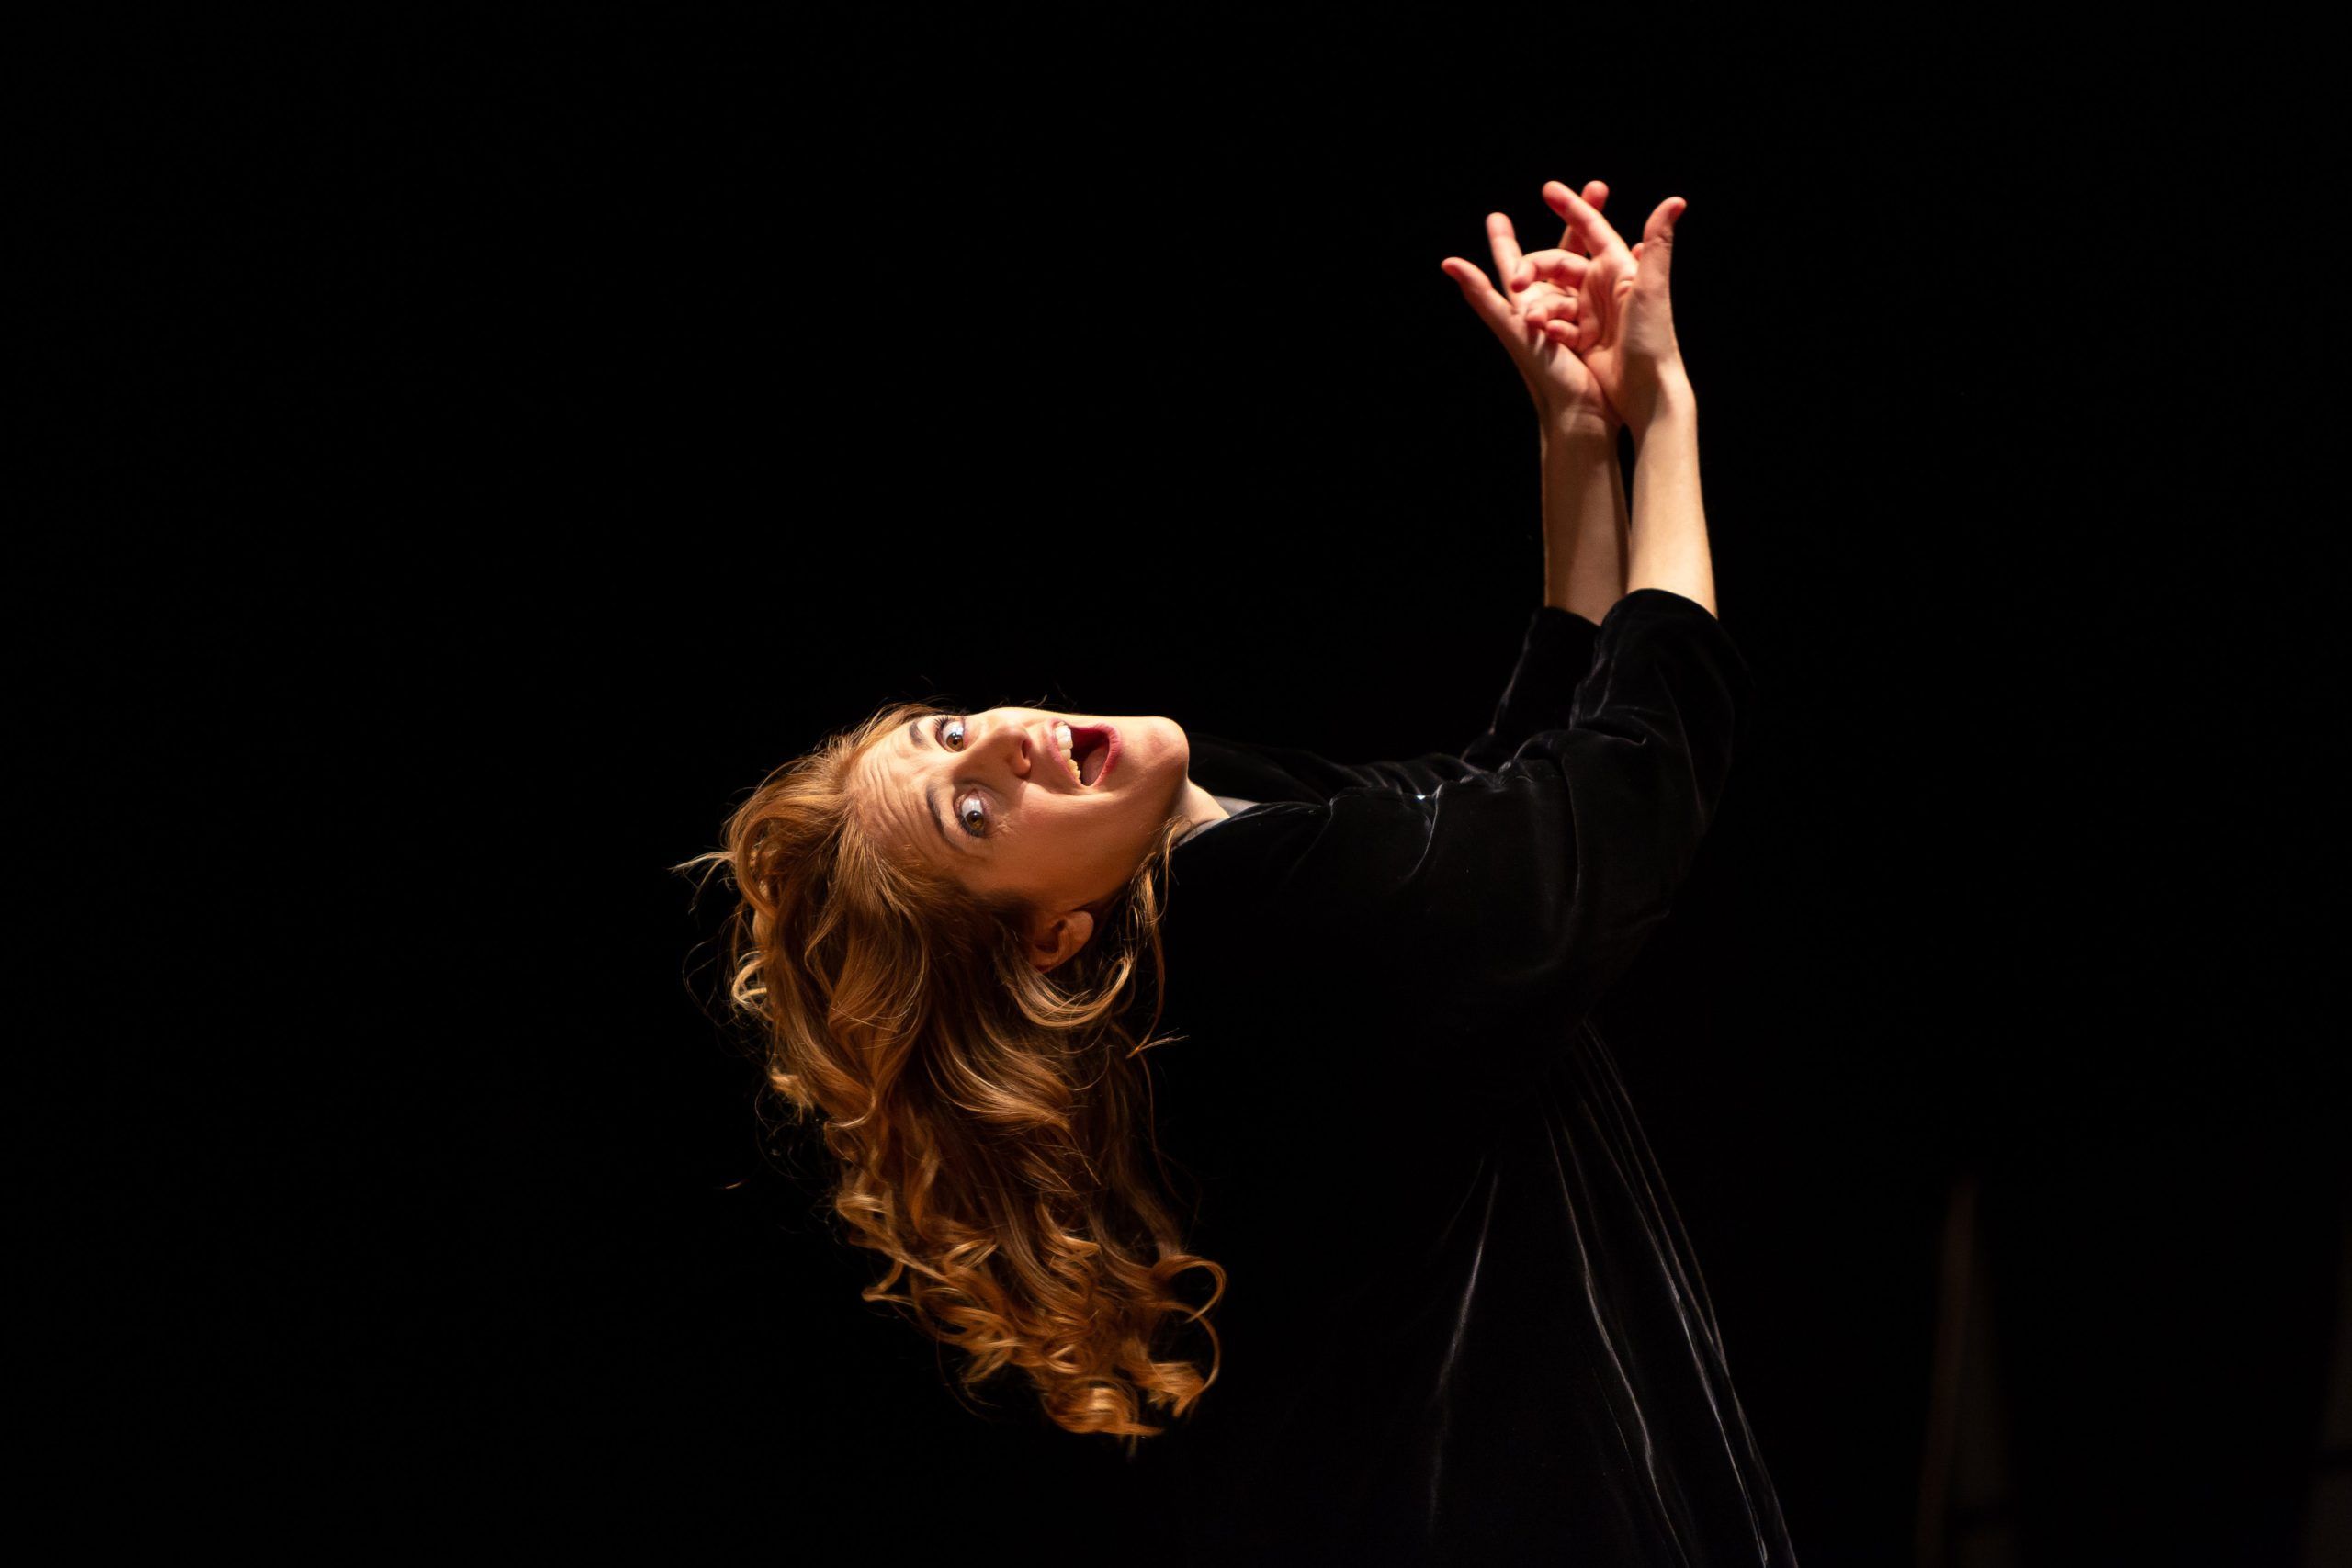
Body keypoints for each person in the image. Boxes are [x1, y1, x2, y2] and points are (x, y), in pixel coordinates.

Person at [682, 177, 1797, 1563]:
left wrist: (1577, 436)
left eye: (953, 735)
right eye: (973, 814)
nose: (1009, 743)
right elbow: (1632, 780)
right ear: (1050, 936)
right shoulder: (1268, 937)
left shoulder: (1192, 871)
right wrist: (1665, 410)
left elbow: (1493, 802)